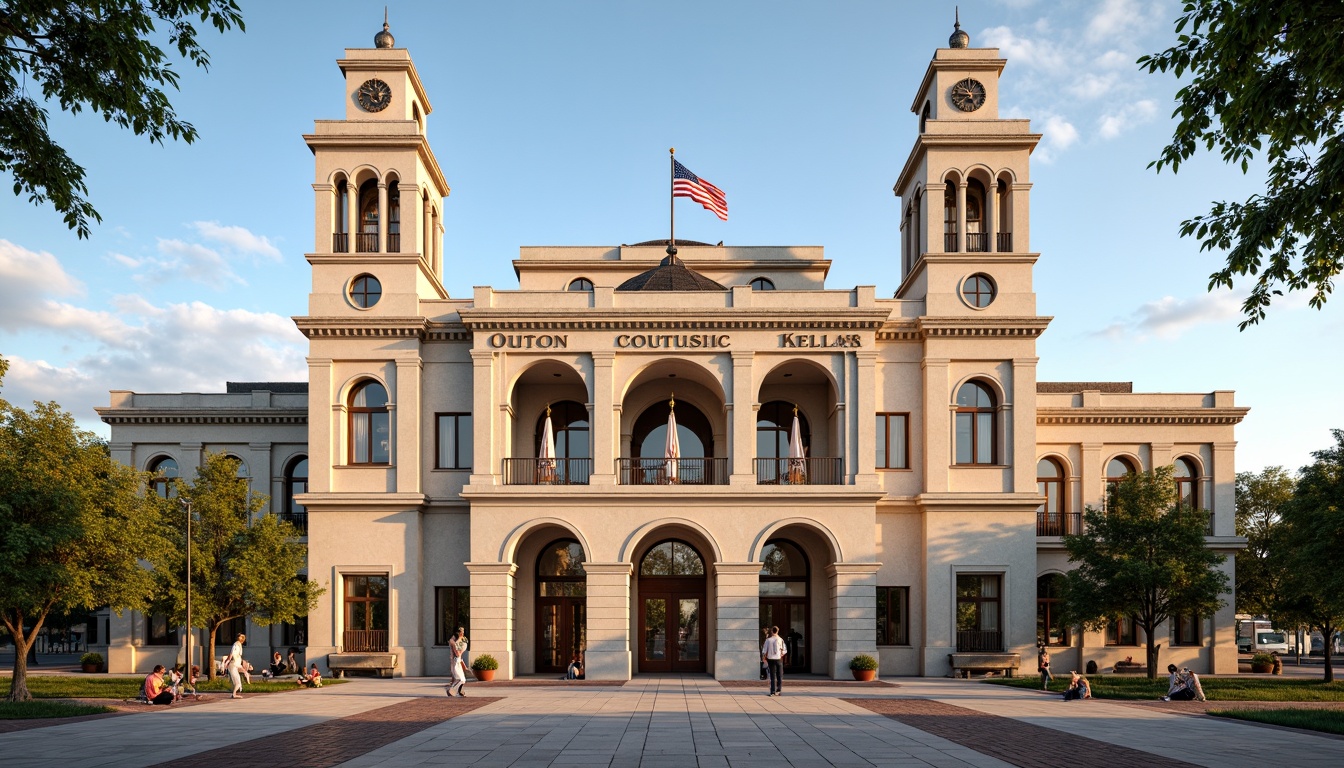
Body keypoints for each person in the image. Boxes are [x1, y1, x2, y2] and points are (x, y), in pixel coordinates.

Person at [761, 625, 787, 696]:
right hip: (778, 659)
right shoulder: (781, 640)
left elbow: (764, 650)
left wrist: (764, 657)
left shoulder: (768, 640)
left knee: (772, 675)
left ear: (772, 631)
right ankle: (778, 690)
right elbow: (784, 650)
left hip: (770, 659)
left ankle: (772, 691)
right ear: (777, 631)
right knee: (779, 675)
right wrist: (780, 654)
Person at [446, 629, 467, 697]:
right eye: (461, 632)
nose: (462, 634)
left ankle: (459, 691)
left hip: (457, 661)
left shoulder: (457, 641)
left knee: (463, 679)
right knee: (460, 679)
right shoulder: (453, 642)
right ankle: (450, 689)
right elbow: (457, 653)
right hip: (455, 662)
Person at [225, 632, 246, 699]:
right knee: (238, 682)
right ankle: (234, 694)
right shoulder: (236, 645)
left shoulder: (238, 645)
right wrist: (228, 661)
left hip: (234, 665)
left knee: (237, 681)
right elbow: (232, 653)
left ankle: (234, 693)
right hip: (233, 665)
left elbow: (232, 654)